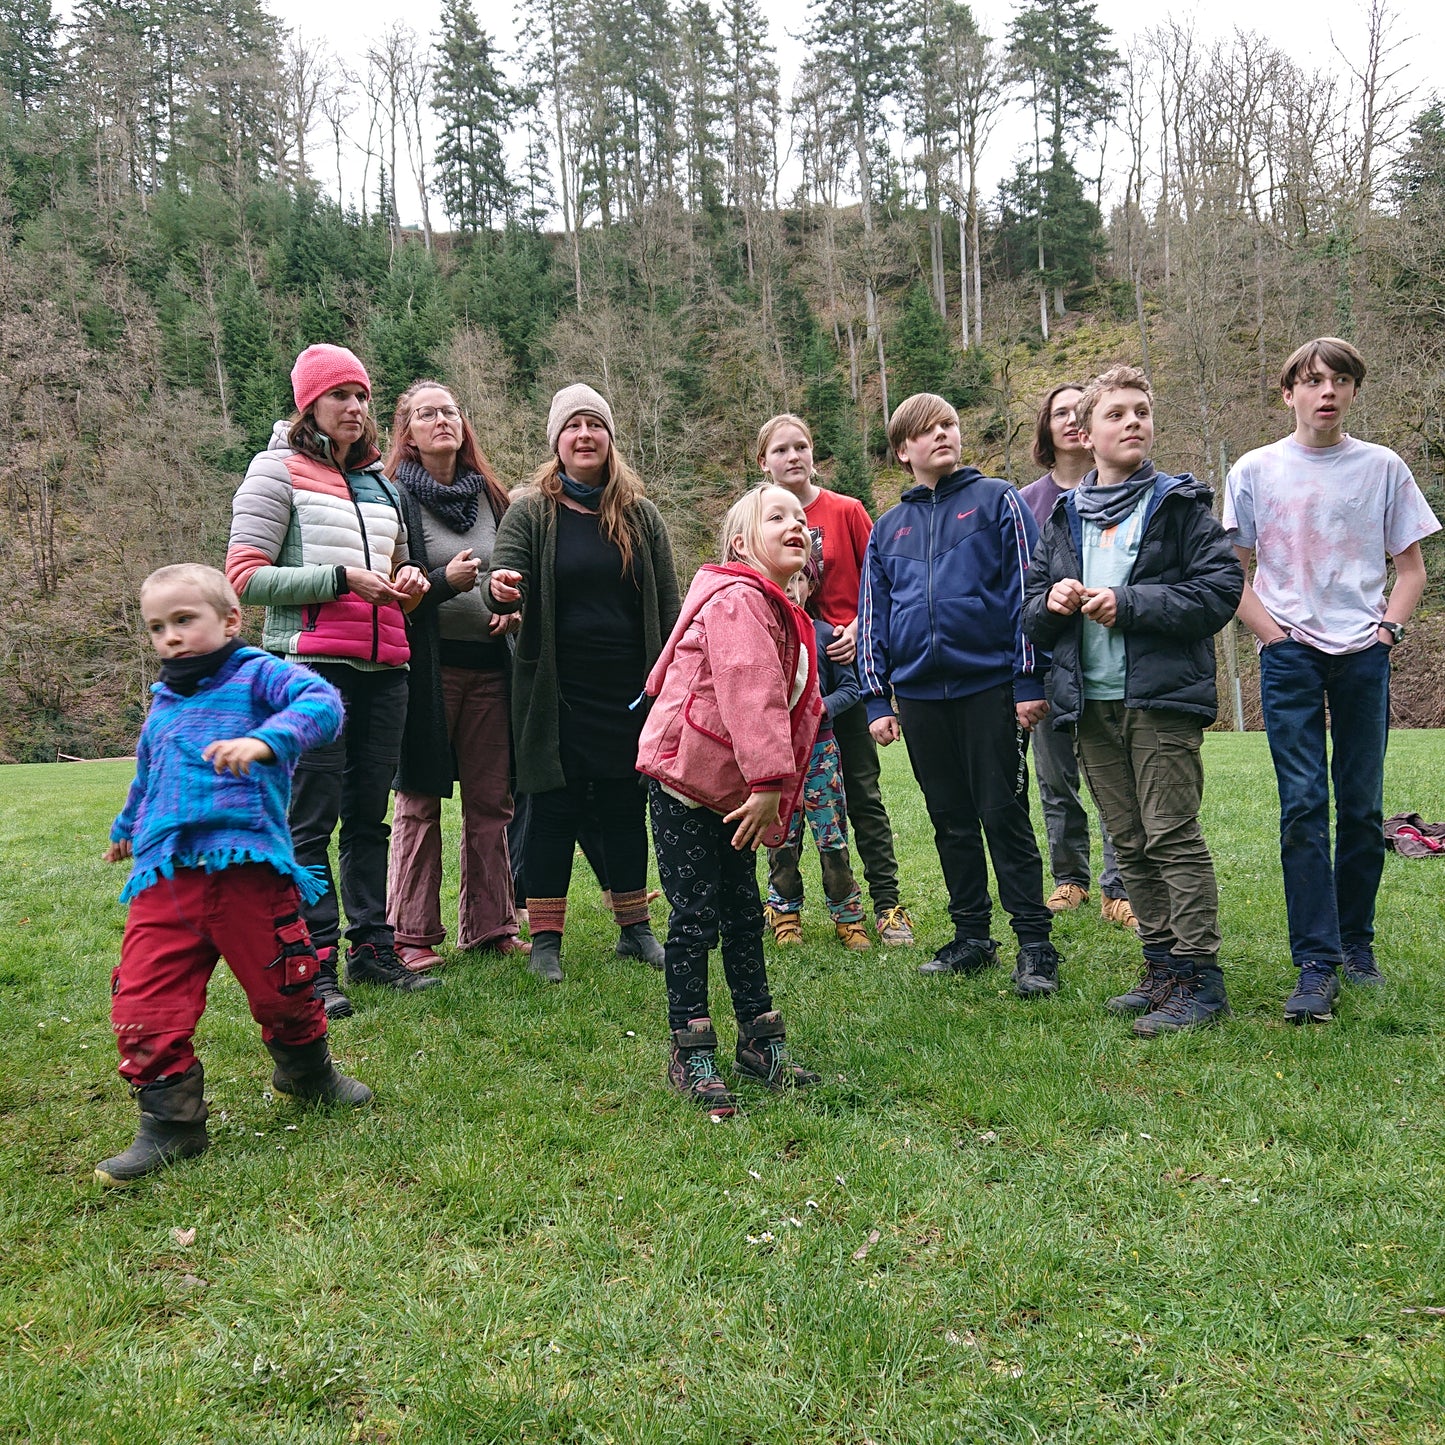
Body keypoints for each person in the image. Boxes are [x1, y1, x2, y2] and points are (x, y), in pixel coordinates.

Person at [96, 565, 370, 1186]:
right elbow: (148, 774)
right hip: (166, 879)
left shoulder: (255, 674)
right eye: (157, 627)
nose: (170, 637)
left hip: (248, 869)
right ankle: (171, 1122)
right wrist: (125, 826)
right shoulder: (163, 701)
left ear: (229, 620)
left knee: (284, 984)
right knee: (143, 996)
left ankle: (307, 1072)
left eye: (184, 620)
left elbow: (322, 703)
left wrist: (268, 741)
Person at [1224, 337, 1440, 1023]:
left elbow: (1409, 570)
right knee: (1300, 807)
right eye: (1312, 380)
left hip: (1361, 654)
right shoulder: (1254, 470)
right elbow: (1231, 570)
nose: (1326, 391)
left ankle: (1356, 945)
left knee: (1360, 805)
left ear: (1351, 391)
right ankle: (1313, 964)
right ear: (1287, 391)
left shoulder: (1381, 468)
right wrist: (1271, 634)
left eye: (1340, 380)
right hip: (1288, 654)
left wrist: (1386, 631)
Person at [1023, 366, 1243, 1035]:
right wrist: (1054, 602)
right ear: (1085, 435)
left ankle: (1202, 981)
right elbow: (1031, 618)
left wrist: (1130, 603)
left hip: (1159, 700)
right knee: (1129, 838)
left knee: (1171, 834)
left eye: (1141, 411)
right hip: (1089, 705)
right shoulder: (1064, 515)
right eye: (1116, 413)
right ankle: (1161, 968)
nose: (1133, 422)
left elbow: (1218, 590)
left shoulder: (1177, 505)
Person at [227, 344, 441, 1016]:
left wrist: (411, 584)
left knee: (368, 819)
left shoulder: (385, 485)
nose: (353, 407)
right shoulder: (274, 472)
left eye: (361, 395)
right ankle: (312, 960)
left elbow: (405, 575)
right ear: (309, 403)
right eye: (339, 395)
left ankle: (372, 948)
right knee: (311, 821)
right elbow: (243, 577)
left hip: (387, 669)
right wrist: (340, 579)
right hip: (310, 673)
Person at [858, 393, 1063, 996]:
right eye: (927, 431)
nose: (943, 435)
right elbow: (873, 615)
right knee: (949, 819)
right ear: (903, 451)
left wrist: (1028, 679)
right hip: (919, 697)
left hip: (991, 686)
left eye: (950, 424)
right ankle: (972, 937)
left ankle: (1035, 944)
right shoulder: (887, 528)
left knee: (1003, 814)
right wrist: (876, 699)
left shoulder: (997, 499)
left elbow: (1027, 590)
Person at [637, 485, 824, 1116]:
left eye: (801, 519)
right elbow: (751, 692)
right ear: (742, 545)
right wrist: (772, 782)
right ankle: (689, 1046)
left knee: (744, 912)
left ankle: (758, 1038)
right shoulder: (741, 599)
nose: (795, 525)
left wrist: (767, 786)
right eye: (777, 519)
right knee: (694, 917)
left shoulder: (779, 608)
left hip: (730, 791)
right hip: (689, 784)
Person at [485, 384, 678, 982]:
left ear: (610, 439)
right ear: (558, 442)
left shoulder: (641, 516)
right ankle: (545, 939)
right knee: (551, 810)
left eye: (596, 424)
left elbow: (669, 607)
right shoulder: (531, 511)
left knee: (624, 807)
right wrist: (502, 586)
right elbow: (501, 567)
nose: (585, 435)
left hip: (628, 691)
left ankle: (635, 929)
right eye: (574, 427)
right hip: (554, 692)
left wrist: (672, 678)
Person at [384, 381, 528, 972]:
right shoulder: (393, 498)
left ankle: (490, 926)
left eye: (450, 411)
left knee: (492, 803)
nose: (441, 420)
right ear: (408, 433)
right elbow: (393, 588)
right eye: (426, 413)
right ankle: (411, 933)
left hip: (491, 671)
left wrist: (512, 608)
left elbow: (518, 575)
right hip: (426, 673)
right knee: (419, 801)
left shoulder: (494, 497)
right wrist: (444, 581)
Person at [756, 414, 914, 946]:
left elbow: (880, 580)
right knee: (783, 805)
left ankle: (888, 906)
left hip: (842, 667)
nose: (793, 456)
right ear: (764, 461)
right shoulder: (757, 515)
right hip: (783, 677)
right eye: (781, 449)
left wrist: (853, 631)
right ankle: (780, 908)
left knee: (862, 793)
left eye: (802, 445)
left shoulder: (845, 510)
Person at [1018, 384, 1135, 930]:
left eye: (1076, 413)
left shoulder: (1125, 491)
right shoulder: (1024, 502)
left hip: (1109, 664)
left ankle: (1121, 886)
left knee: (1113, 777)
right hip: (1047, 664)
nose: (1068, 421)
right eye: (1057, 413)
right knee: (1055, 778)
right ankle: (1069, 878)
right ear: (1047, 427)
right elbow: (1016, 593)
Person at [764, 557, 868, 948]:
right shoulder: (765, 632)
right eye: (785, 578)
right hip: (778, 755)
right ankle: (785, 913)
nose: (791, 586)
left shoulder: (827, 634)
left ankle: (848, 916)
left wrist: (819, 707)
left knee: (832, 837)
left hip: (821, 751)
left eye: (800, 579)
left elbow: (850, 689)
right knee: (781, 839)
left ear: (811, 586)